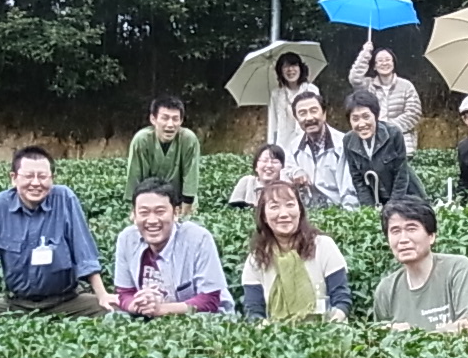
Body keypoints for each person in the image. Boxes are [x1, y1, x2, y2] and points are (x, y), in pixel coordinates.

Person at [0, 146, 114, 323]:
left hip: (67, 302)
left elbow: (84, 254)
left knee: (116, 312)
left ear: (52, 178)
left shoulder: (65, 199)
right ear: (14, 178)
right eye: (29, 176)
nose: (36, 183)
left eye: (43, 176)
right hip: (16, 304)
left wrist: (102, 296)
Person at [114, 178, 233, 317]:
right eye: (144, 212)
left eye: (160, 212)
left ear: (175, 213)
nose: (152, 220)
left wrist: (160, 310)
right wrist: (140, 304)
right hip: (149, 316)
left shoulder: (198, 238)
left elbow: (209, 300)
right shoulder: (127, 239)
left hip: (198, 318)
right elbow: (124, 293)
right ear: (134, 215)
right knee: (115, 317)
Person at [373, 197, 468, 333]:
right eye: (395, 231)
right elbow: (379, 339)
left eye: (411, 229)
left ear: (431, 236)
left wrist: (413, 335)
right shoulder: (386, 289)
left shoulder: (458, 268)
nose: (403, 239)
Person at [241, 182, 353, 322]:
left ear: (300, 210)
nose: (284, 214)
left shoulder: (323, 246)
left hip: (327, 330)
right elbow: (254, 312)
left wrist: (333, 323)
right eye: (274, 207)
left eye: (290, 205)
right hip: (275, 334)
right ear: (264, 216)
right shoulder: (256, 259)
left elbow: (342, 299)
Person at [342, 90, 428, 207]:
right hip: (379, 200)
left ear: (376, 116)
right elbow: (358, 180)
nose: (361, 124)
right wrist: (369, 209)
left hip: (408, 196)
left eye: (366, 117)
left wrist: (392, 207)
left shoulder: (393, 134)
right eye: (355, 119)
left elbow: (401, 175)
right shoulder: (348, 141)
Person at [125, 96, 200, 215]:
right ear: (153, 119)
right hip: (149, 202)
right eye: (165, 118)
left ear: (181, 121)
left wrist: (185, 209)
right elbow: (135, 176)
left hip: (180, 203)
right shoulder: (141, 140)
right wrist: (136, 209)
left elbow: (191, 175)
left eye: (175, 119)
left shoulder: (188, 139)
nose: (170, 124)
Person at [284, 91, 358, 210]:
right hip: (307, 212)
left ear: (324, 114)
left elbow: (349, 192)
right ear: (296, 119)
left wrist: (347, 217)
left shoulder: (343, 145)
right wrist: (296, 172)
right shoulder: (294, 146)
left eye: (314, 111)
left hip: (337, 211)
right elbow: (286, 169)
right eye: (302, 113)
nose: (309, 118)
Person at [349, 42, 423, 154]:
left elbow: (413, 114)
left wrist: (386, 127)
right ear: (374, 66)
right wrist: (365, 53)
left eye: (388, 60)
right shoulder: (368, 85)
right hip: (373, 143)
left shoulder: (406, 86)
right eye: (380, 60)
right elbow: (355, 78)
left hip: (403, 143)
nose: (384, 63)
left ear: (393, 63)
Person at [268, 52, 320, 147]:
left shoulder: (311, 90)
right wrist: (271, 146)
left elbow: (319, 118)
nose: (290, 69)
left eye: (294, 65)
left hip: (308, 142)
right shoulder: (276, 94)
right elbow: (273, 123)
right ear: (280, 71)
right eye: (285, 66)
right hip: (284, 144)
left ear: (300, 68)